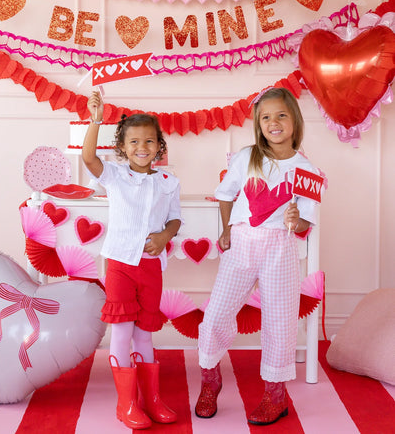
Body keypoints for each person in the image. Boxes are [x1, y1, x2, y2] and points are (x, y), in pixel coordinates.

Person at [195, 87, 323, 426]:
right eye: (266, 117)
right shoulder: (247, 157)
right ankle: (210, 380)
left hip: (280, 248)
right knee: (215, 314)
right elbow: (225, 195)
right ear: (258, 123)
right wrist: (227, 229)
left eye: (281, 115)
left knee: (280, 320)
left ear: (294, 121)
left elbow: (306, 220)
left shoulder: (307, 170)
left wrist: (297, 220)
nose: (273, 122)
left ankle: (275, 395)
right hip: (242, 243)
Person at [82, 91, 182, 430]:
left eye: (149, 141)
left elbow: (175, 219)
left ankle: (151, 400)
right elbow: (88, 157)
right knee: (123, 332)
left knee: (145, 335)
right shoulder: (114, 175)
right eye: (134, 141)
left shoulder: (169, 182)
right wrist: (96, 120)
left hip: (151, 268)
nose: (142, 147)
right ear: (122, 148)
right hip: (121, 266)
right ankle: (126, 404)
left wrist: (165, 236)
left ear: (159, 146)